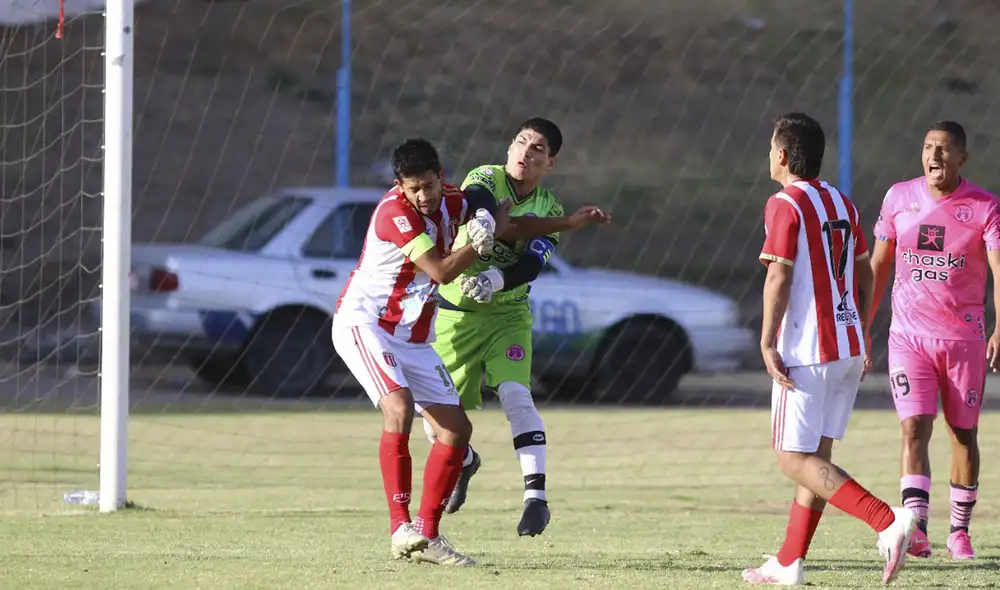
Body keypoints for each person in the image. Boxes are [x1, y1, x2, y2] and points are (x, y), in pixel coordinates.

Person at [742, 113, 916, 586]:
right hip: (845, 346)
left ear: (780, 154)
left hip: (806, 349)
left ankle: (887, 520)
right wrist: (858, 326)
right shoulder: (842, 201)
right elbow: (864, 269)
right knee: (816, 458)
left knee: (792, 459)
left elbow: (777, 275)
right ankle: (789, 561)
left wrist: (766, 339)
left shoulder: (784, 203)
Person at [422, 117, 611, 537]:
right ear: (509, 148)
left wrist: (493, 279)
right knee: (430, 414)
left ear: (551, 163)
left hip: (508, 315)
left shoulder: (550, 207)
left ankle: (536, 500)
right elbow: (476, 198)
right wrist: (487, 221)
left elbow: (531, 261)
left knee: (516, 396)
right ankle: (466, 460)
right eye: (521, 143)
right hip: (455, 316)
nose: (526, 153)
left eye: (538, 148)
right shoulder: (486, 176)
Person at [331, 138, 507, 566]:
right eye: (414, 189)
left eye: (429, 185)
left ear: (440, 177)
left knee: (457, 431)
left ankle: (428, 538)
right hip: (366, 323)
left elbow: (483, 200)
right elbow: (442, 271)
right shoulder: (395, 213)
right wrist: (483, 240)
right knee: (399, 408)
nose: (423, 196)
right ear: (400, 186)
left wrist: (485, 214)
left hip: (412, 335)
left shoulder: (448, 199)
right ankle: (399, 527)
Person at [869, 120, 1000, 560]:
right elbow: (879, 266)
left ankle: (959, 531)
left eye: (944, 150)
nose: (935, 156)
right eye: (928, 148)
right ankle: (917, 526)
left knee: (962, 433)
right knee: (913, 428)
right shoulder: (898, 198)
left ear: (961, 158)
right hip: (908, 337)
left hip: (963, 340)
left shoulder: (985, 207)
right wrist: (863, 326)